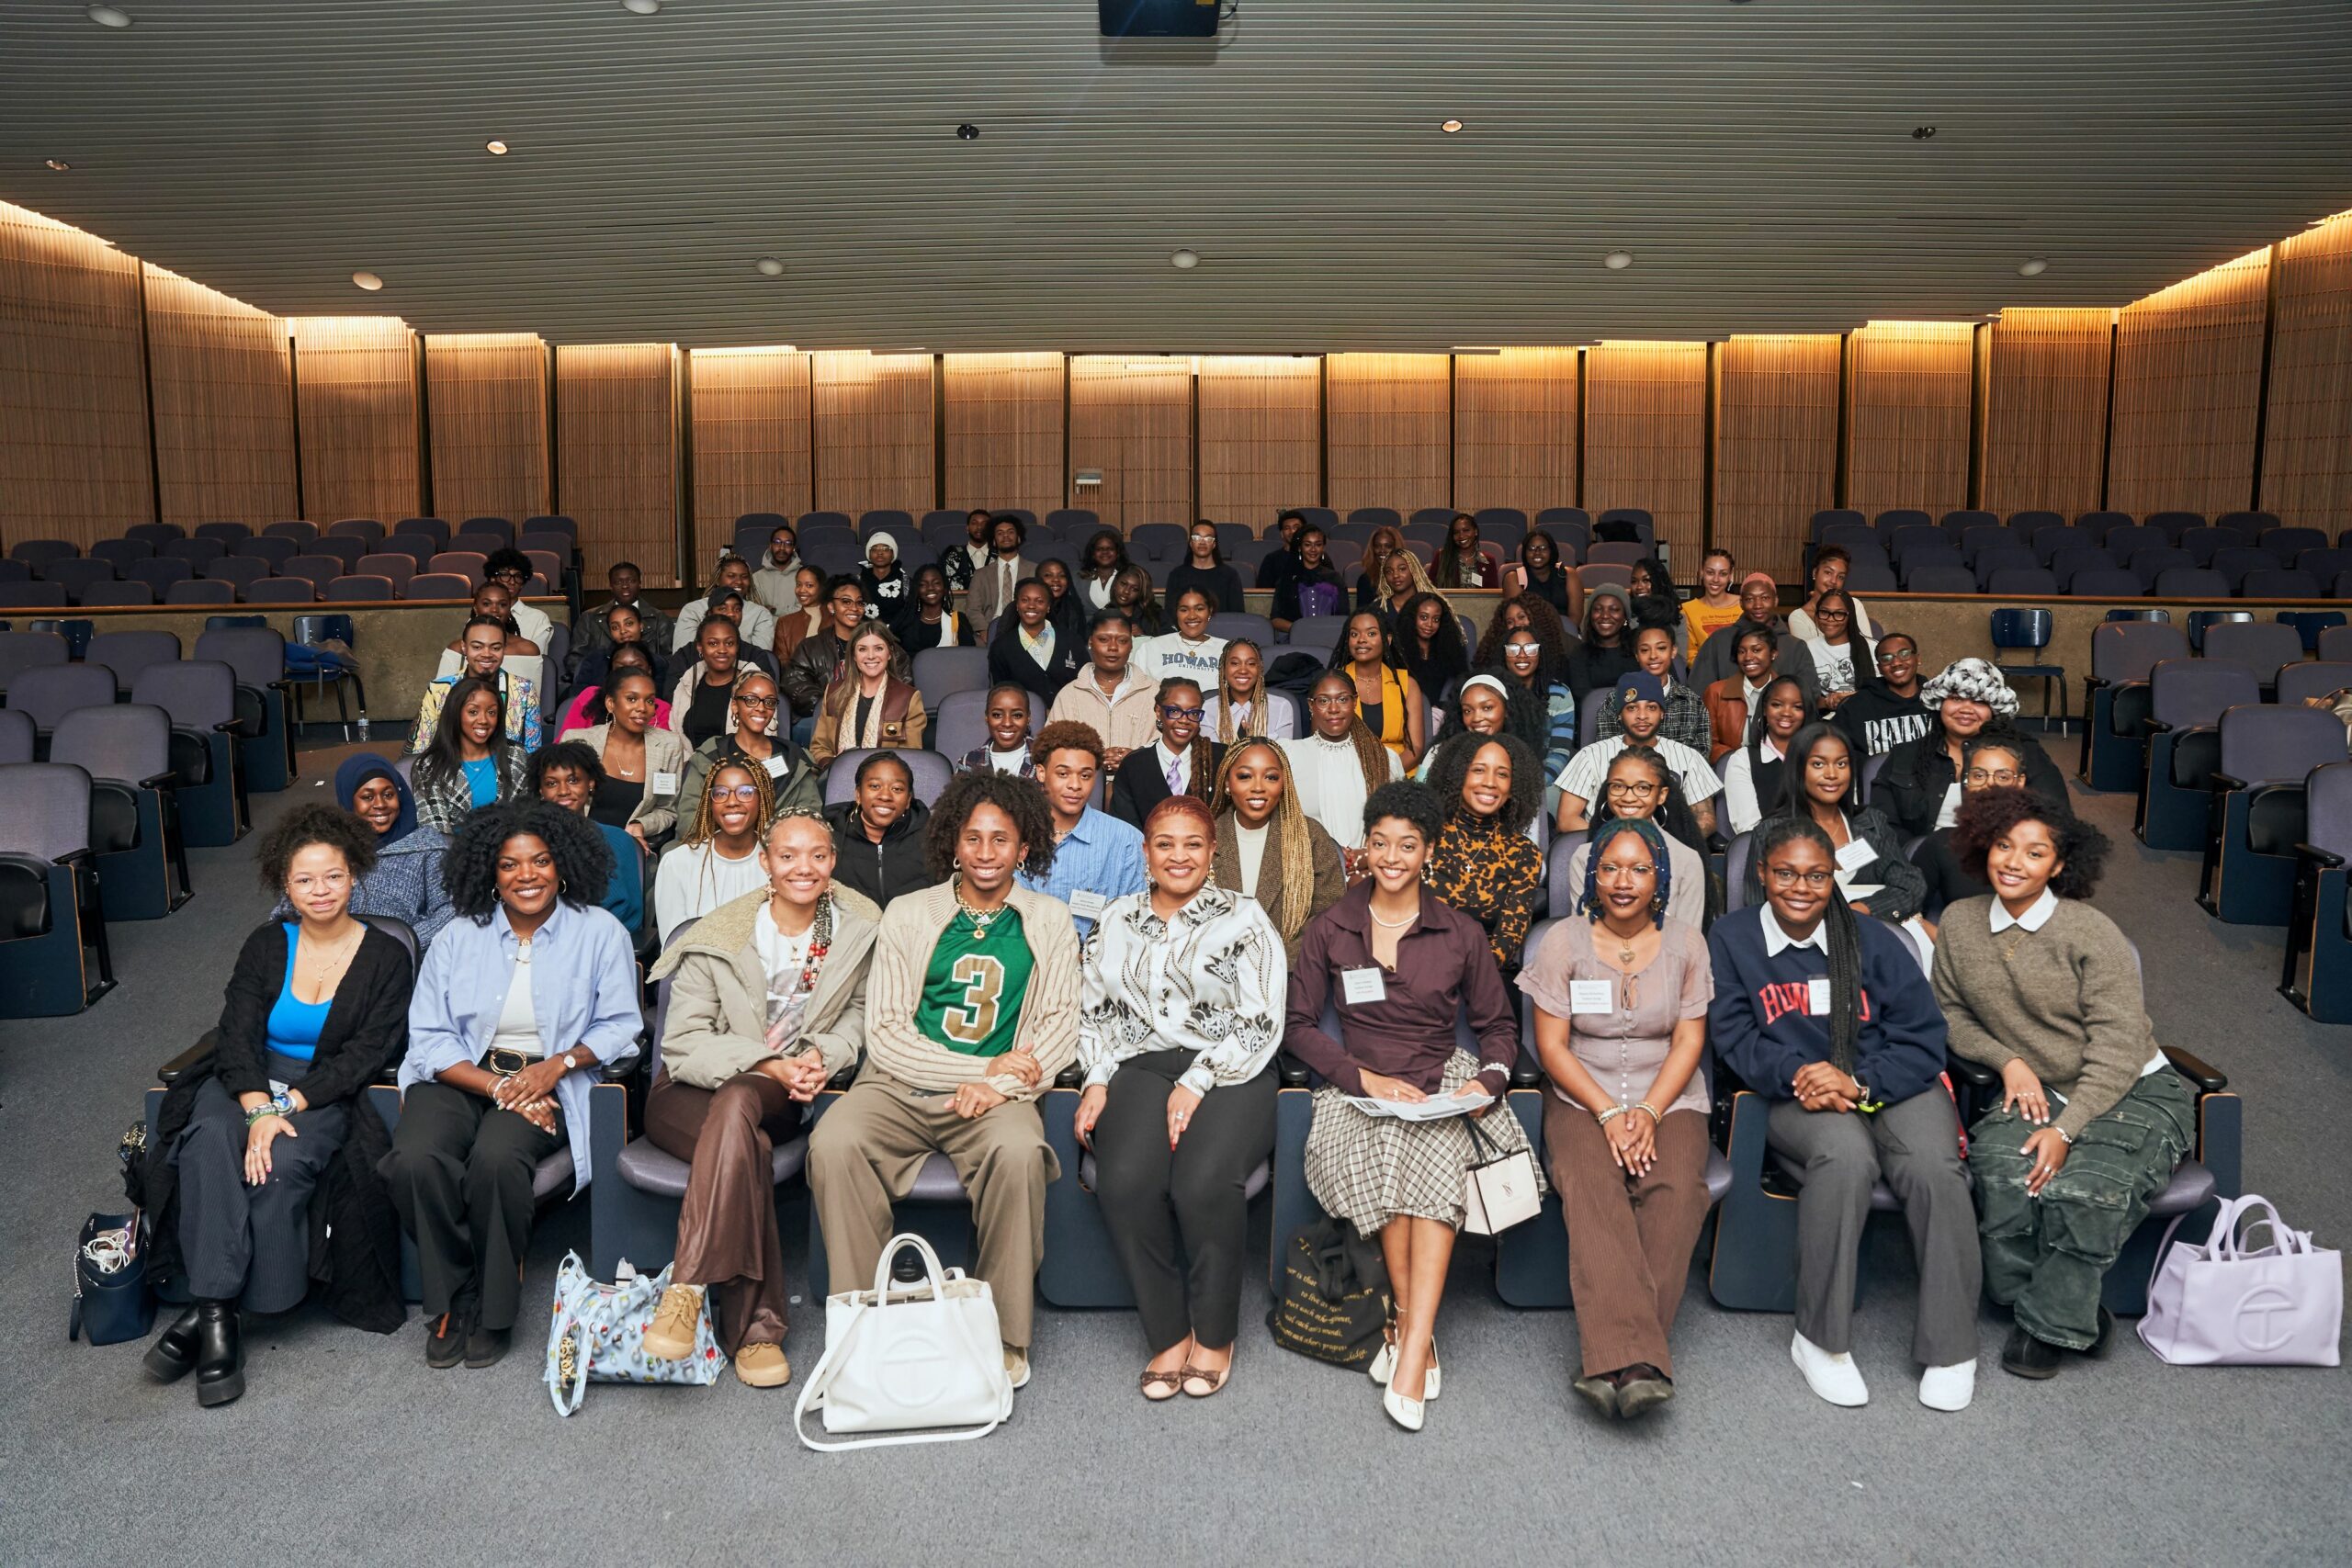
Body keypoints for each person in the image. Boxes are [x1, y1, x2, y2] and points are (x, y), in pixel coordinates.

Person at [807, 771, 1080, 1390]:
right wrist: (983, 1070)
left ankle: (1004, 1333)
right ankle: (862, 1321)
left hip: (997, 1102)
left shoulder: (1050, 918)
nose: (986, 853)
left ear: (1025, 847)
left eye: (1001, 839)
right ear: (952, 844)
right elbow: (886, 1033)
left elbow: (1060, 1029)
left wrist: (1003, 1088)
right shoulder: (908, 913)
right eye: (973, 838)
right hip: (899, 1087)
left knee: (1018, 1152)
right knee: (835, 1141)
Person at [135, 807, 414, 1405]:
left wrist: (290, 1105)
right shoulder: (267, 943)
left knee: (280, 1168)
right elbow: (234, 1034)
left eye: (333, 876)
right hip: (245, 1080)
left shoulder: (387, 957)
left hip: (322, 1090)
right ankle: (218, 1319)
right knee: (209, 1140)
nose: (320, 891)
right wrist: (259, 1109)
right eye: (305, 880)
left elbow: (370, 1052)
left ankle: (213, 1311)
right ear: (284, 885)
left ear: (354, 875)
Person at [1283, 781, 1539, 1432]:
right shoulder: (1331, 926)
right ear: (1363, 848)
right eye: (1380, 842)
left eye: (1407, 844)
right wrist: (1361, 1076)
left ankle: (1409, 1338)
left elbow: (1499, 1026)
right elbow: (1298, 1023)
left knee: (1426, 1150)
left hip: (1438, 1078)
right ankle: (1415, 1334)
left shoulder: (1457, 931)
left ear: (1428, 851)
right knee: (1388, 1155)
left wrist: (1488, 1079)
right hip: (1357, 1085)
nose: (1392, 856)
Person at [1708, 818, 1978, 1412]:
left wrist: (1858, 1083)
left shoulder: (1872, 937)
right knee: (1846, 1156)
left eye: (1816, 874)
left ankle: (1953, 1345)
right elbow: (1734, 1037)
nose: (1801, 886)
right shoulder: (1730, 939)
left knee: (1934, 1167)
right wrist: (1803, 1076)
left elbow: (1923, 1037)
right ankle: (1821, 1340)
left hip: (1884, 1080)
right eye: (1786, 872)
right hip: (1790, 1090)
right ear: (1761, 874)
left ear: (1834, 877)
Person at [1932, 789, 2195, 1382]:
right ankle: (2064, 1306)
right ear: (1983, 846)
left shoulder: (2090, 931)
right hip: (2031, 1089)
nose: (2014, 861)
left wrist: (2065, 1129)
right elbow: (1949, 1013)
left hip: (2129, 1089)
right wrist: (2008, 1061)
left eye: (2034, 851)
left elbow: (2118, 1046)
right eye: (2004, 845)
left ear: (2059, 864)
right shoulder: (1959, 922)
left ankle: (2047, 1327)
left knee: (2086, 1192)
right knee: (2002, 1180)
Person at [387, 802, 640, 1369]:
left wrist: (558, 1066)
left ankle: (495, 1312)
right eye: (510, 865)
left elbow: (623, 1024)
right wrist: (499, 1088)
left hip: (547, 1079)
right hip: (462, 1074)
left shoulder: (599, 932)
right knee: (413, 1158)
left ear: (562, 865)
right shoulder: (457, 936)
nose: (527, 876)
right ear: (489, 873)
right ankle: (455, 1298)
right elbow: (428, 1035)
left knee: (498, 1161)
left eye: (541, 861)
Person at [639, 812, 881, 1387]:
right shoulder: (719, 935)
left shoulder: (856, 930)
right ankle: (754, 1333)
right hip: (685, 1092)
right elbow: (683, 1044)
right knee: (740, 1127)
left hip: (783, 1091)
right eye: (789, 855)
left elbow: (860, 1015)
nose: (804, 867)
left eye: (818, 855)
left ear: (832, 861)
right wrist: (765, 1061)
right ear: (766, 862)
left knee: (743, 1105)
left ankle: (687, 1289)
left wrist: (823, 1055)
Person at [1074, 795, 1283, 1400]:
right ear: (1145, 852)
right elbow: (1097, 1012)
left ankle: (1214, 1333)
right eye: (1165, 843)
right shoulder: (1116, 917)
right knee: (1127, 1180)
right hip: (1139, 1063)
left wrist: (1197, 1081)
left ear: (1211, 852)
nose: (1179, 855)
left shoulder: (1243, 918)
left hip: (1234, 1067)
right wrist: (1094, 1078)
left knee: (1202, 1182)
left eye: (1192, 843)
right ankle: (1167, 1330)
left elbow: (1261, 1020)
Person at [1521, 817, 1714, 1418]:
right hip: (1583, 1093)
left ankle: (1614, 1360)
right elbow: (1550, 1047)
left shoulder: (1688, 942)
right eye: (1609, 867)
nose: (1622, 881)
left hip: (1670, 1094)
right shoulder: (1562, 941)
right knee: (1592, 1187)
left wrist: (1650, 1110)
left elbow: (1689, 1042)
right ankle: (1641, 1362)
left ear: (1660, 876)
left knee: (1678, 1189)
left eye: (1638, 868)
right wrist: (1609, 1113)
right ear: (1591, 875)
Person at [1742, 722, 1928, 927]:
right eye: (1818, 764)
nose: (1832, 774)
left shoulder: (1872, 822)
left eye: (1841, 764)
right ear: (1798, 769)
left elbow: (1910, 885)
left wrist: (1861, 910)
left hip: (1868, 934)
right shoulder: (1770, 832)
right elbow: (1755, 909)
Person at [1872, 659, 2064, 839]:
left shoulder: (2024, 753)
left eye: (1979, 702)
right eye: (1956, 699)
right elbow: (1882, 822)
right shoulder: (1907, 754)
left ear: (1994, 710)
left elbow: (2056, 820)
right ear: (1940, 703)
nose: (1966, 708)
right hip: (1916, 862)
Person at [1209, 737, 1345, 963]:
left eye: (1271, 777)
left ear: (1284, 784)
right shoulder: (1205, 838)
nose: (1258, 787)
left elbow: (1329, 913)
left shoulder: (1310, 836)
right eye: (1245, 776)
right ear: (1226, 783)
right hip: (1216, 977)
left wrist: (1274, 959)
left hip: (1292, 975)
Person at [1423, 731, 1546, 974]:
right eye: (1478, 770)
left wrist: (1463, 972)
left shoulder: (1524, 853)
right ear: (1458, 775)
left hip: (1481, 976)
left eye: (1502, 774)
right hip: (1415, 967)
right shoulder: (1422, 836)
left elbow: (1509, 936)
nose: (1490, 782)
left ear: (1513, 787)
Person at [1020, 719, 1148, 938]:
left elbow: (1135, 923)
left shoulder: (1125, 840)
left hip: (1094, 965)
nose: (1075, 785)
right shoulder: (1013, 833)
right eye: (1063, 774)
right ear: (1041, 773)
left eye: (1085, 775)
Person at [1553, 672, 1720, 837]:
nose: (1642, 716)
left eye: (1651, 707)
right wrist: (1615, 840)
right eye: (1632, 708)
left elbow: (1706, 819)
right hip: (1606, 852)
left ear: (1662, 713)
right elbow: (1566, 820)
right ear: (1619, 714)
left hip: (1671, 853)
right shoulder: (1590, 756)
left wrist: (1666, 845)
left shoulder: (1688, 757)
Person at [1560, 749, 1710, 927]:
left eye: (1642, 788)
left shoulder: (1687, 860)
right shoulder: (1585, 857)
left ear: (1661, 795)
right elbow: (1583, 934)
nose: (1628, 797)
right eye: (1618, 786)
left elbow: (1689, 943)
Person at [322, 754, 456, 948]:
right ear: (348, 801)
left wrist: (398, 943)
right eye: (367, 797)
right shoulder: (324, 850)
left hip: (403, 962)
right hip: (329, 959)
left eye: (388, 795)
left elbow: (450, 911)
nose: (380, 805)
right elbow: (288, 910)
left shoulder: (427, 847)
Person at [1283, 670, 1405, 865]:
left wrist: (1360, 858)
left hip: (1371, 871)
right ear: (1310, 705)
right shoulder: (1290, 755)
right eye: (1323, 701)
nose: (1333, 709)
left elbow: (1400, 827)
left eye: (1342, 699)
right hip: (1308, 872)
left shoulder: (1384, 759)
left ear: (1355, 702)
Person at [529, 741, 647, 939]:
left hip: (600, 945)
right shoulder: (527, 844)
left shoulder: (617, 840)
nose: (563, 790)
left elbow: (627, 914)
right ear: (541, 790)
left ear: (590, 783)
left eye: (573, 780)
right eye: (551, 783)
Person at [560, 666, 688, 846]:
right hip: (578, 842)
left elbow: (667, 810)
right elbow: (558, 801)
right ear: (610, 703)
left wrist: (640, 826)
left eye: (650, 701)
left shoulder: (668, 746)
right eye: (631, 699)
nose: (642, 708)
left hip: (634, 846)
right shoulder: (577, 741)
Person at [654, 760, 777, 943]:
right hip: (697, 970)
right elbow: (673, 948)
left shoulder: (780, 863)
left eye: (745, 792)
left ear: (762, 799)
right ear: (709, 803)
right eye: (720, 793)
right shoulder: (677, 863)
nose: (732, 802)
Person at [677, 671, 820, 825]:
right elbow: (689, 819)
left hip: (782, 845)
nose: (761, 708)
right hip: (721, 845)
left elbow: (810, 817)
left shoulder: (794, 756)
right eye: (751, 700)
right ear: (734, 706)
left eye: (770, 702)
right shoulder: (710, 755)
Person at [1910, 736, 2016, 929]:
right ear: (1967, 783)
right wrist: (1947, 942)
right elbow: (1908, 911)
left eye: (2002, 777)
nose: (1989, 785)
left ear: (2020, 782)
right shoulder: (1942, 843)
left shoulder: (2041, 842)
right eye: (1979, 775)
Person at [1046, 611, 1159, 777]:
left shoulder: (1155, 692)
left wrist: (1136, 759)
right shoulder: (1069, 695)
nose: (1113, 647)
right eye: (1103, 639)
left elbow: (1169, 745)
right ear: (1090, 642)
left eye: (1122, 640)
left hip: (1140, 786)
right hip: (1082, 790)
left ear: (1131, 645)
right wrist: (1092, 760)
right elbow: (1051, 748)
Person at [412, 674, 529, 832]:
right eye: (473, 712)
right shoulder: (430, 765)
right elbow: (435, 833)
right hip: (453, 852)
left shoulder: (515, 755)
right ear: (456, 713)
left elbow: (527, 816)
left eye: (492, 712)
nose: (484, 720)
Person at [411, 615, 540, 755]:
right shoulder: (439, 690)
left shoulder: (524, 690)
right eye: (477, 647)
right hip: (449, 771)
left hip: (508, 772)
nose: (486, 654)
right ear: (464, 647)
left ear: (504, 649)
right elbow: (421, 750)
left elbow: (533, 751)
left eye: (495, 648)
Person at [823, 750, 937, 908]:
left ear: (908, 799)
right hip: (850, 929)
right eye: (875, 786)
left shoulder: (934, 837)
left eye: (897, 789)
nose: (885, 796)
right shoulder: (827, 834)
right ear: (858, 794)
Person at [1109, 677, 1225, 829]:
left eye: (1194, 713)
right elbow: (1124, 830)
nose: (1184, 720)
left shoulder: (1220, 758)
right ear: (1158, 711)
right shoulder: (1135, 765)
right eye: (1175, 711)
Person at [808, 622, 927, 769]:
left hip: (885, 784)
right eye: (863, 649)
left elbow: (912, 757)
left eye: (878, 648)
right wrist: (833, 765)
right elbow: (819, 747)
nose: (871, 656)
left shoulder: (908, 698)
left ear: (889, 653)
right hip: (838, 778)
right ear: (854, 655)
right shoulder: (833, 692)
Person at [1703, 623, 1820, 761]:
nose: (1748, 657)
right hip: (1729, 765)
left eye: (1756, 650)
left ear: (1773, 654)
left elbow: (1804, 739)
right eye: (1742, 651)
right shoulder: (1716, 692)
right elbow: (1708, 742)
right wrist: (1736, 759)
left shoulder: (1790, 692)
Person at [1414, 671, 1549, 786]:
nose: (1476, 718)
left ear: (1507, 710)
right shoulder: (1438, 753)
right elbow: (1419, 798)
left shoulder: (1522, 759)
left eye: (1487, 708)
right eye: (1468, 710)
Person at [1596, 625, 1712, 753]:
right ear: (1636, 655)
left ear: (1673, 651)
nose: (1653, 656)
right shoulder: (1615, 699)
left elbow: (1701, 755)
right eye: (1645, 650)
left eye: (1661, 648)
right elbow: (1605, 750)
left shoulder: (1692, 701)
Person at [1335, 611, 1427, 772]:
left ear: (1387, 640)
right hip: (1347, 774)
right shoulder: (1334, 683)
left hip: (1398, 773)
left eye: (1371, 633)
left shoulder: (1407, 684)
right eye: (1354, 634)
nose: (1361, 640)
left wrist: (1386, 775)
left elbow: (1415, 749)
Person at [779, 576, 868, 739]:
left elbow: (902, 678)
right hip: (825, 716)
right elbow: (796, 685)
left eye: (859, 603)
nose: (854, 608)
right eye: (846, 602)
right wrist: (832, 706)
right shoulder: (810, 647)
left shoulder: (879, 643)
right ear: (831, 607)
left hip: (871, 713)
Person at [1720, 675, 1809, 838]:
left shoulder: (1820, 757)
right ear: (1765, 709)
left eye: (1797, 707)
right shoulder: (1742, 760)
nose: (1786, 713)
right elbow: (1749, 827)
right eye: (1777, 705)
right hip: (1768, 851)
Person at [1498, 625, 1579, 799]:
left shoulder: (1560, 694)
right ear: (1504, 655)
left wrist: (1531, 787)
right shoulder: (1494, 694)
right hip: (1497, 781)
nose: (1521, 655)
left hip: (1544, 784)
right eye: (1513, 648)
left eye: (1530, 648)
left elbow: (1559, 753)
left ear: (1540, 653)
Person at [1834, 631, 1935, 760]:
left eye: (1904, 654)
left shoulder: (1939, 700)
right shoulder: (1857, 706)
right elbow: (1833, 748)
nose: (1896, 663)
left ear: (1918, 659)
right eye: (1886, 658)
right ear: (1880, 668)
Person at [987, 578, 1084, 705]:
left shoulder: (1071, 640)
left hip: (1071, 715)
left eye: (1039, 601)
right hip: (1027, 720)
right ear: (1017, 605)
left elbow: (1085, 682)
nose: (1031, 606)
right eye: (1025, 600)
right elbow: (1002, 694)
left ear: (1048, 607)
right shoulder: (1001, 647)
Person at [1690, 572, 1791, 694]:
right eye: (1749, 599)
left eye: (1765, 598)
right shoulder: (1718, 641)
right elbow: (1697, 691)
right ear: (1741, 603)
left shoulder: (1795, 646)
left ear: (1776, 601)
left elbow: (1806, 696)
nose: (1757, 605)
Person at [668, 613, 755, 749]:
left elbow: (763, 740)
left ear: (737, 647)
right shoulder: (686, 684)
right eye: (713, 643)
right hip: (692, 765)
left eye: (729, 643)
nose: (722, 650)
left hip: (740, 765)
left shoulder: (754, 685)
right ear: (700, 647)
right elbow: (676, 736)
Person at [559, 636, 672, 736]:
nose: (628, 673)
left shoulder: (662, 709)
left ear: (649, 670)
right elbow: (565, 749)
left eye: (637, 666)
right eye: (620, 668)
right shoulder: (589, 696)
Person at [673, 555, 778, 655]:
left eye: (744, 577)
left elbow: (761, 656)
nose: (739, 581)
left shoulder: (760, 613)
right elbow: (682, 653)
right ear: (718, 580)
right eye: (731, 576)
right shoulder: (693, 610)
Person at [433, 581, 542, 674]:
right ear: (475, 608)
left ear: (509, 609)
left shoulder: (528, 650)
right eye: (486, 604)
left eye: (502, 605)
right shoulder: (456, 649)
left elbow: (533, 697)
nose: (494, 610)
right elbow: (440, 695)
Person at [577, 559, 673, 663]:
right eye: (618, 582)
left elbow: (670, 659)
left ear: (640, 583)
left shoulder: (660, 618)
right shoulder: (589, 618)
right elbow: (576, 658)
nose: (625, 586)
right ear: (611, 586)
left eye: (631, 581)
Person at [1203, 637, 1293, 741]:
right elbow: (1211, 755)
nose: (1243, 670)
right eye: (1235, 663)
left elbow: (1283, 754)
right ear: (1223, 668)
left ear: (1260, 669)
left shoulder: (1281, 707)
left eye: (1251, 664)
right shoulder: (1207, 708)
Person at [1796, 589, 1871, 710]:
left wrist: (1849, 698)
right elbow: (1804, 697)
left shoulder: (1871, 647)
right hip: (1824, 720)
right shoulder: (1806, 649)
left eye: (1839, 614)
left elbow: (1882, 692)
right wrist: (1828, 702)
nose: (1830, 619)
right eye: (1824, 612)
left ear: (1849, 616)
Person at [1138, 587, 1225, 691]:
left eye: (1199, 609)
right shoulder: (1151, 647)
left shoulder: (1226, 649)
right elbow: (1137, 690)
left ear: (1209, 611)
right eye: (1184, 610)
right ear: (1176, 613)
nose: (1192, 616)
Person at [1788, 545, 1875, 644]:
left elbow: (1868, 646)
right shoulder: (1798, 617)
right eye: (1828, 573)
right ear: (1815, 573)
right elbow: (1806, 656)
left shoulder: (1854, 605)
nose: (1834, 581)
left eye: (1841, 577)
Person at [1567, 585, 1638, 703]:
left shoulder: (1639, 652)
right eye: (1598, 609)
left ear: (1625, 617)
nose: (1605, 616)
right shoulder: (1579, 654)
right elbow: (1583, 700)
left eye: (1614, 609)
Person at [1270, 525, 1346, 633]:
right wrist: (1301, 629)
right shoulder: (1287, 579)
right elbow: (1275, 619)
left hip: (1331, 637)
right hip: (1296, 638)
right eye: (1307, 545)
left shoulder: (1335, 578)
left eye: (1318, 545)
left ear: (1323, 547)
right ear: (1300, 548)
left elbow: (1344, 617)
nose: (1313, 549)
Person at [1164, 520, 1247, 615]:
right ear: (1191, 543)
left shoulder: (1229, 575)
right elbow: (1170, 613)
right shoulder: (1177, 575)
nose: (1202, 542)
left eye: (1208, 538)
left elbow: (1237, 615)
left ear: (1214, 544)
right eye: (1197, 537)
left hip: (1221, 628)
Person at [967, 514, 1031, 633]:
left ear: (1018, 538)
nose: (1005, 535)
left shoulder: (1034, 570)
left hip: (1026, 628)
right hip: (991, 628)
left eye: (1010, 532)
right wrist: (985, 631)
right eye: (1000, 533)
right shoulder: (981, 575)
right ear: (994, 541)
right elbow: (973, 609)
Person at [481, 547, 555, 648]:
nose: (512, 582)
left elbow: (536, 659)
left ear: (522, 584)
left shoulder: (538, 619)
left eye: (518, 576)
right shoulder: (480, 614)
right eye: (505, 575)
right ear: (493, 579)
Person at [960, 683, 1036, 777]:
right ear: (986, 717)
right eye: (997, 715)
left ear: (1028, 718)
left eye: (1017, 715)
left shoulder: (1046, 758)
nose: (1007, 723)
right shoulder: (969, 763)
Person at [895, 563, 974, 649]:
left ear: (944, 587)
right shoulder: (905, 621)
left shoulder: (958, 620)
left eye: (936, 583)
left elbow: (968, 656)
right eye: (923, 584)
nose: (930, 588)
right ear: (917, 589)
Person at [1509, 530, 1582, 622]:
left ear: (1552, 551)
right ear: (1524, 553)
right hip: (1529, 633)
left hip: (1566, 631)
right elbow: (1519, 618)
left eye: (1543, 548)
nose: (1537, 552)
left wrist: (1562, 635)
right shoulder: (1514, 577)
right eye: (1531, 548)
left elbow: (1575, 617)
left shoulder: (1568, 574)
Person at [1680, 548, 1743, 651]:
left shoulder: (1743, 605)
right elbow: (1690, 653)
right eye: (1710, 572)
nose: (1716, 579)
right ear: (1701, 572)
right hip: (1704, 666)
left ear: (1730, 576)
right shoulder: (1687, 610)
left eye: (1723, 574)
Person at [1432, 513, 1503, 591]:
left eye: (1466, 530)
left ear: (1475, 531)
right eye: (1456, 532)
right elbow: (1430, 588)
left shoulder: (1488, 560)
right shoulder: (1442, 557)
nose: (1461, 536)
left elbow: (1493, 594)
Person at [773, 564, 828, 663]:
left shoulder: (835, 619)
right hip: (795, 678)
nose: (802, 590)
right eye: (798, 584)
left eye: (809, 585)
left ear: (822, 588)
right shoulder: (784, 623)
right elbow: (782, 664)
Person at [748, 521, 804, 615]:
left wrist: (774, 610)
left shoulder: (805, 576)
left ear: (793, 548)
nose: (782, 548)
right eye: (777, 542)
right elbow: (755, 612)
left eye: (788, 543)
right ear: (770, 546)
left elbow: (805, 610)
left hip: (796, 629)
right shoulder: (756, 578)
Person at [855, 532, 911, 625]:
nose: (880, 553)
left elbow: (910, 614)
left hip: (898, 635)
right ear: (869, 554)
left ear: (893, 553)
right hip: (864, 633)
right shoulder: (858, 581)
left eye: (886, 549)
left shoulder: (906, 581)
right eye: (874, 549)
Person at [1624, 557, 1682, 646]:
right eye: (1634, 581)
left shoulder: (1677, 618)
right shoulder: (1626, 616)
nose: (1639, 587)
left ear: (1658, 582)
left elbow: (1679, 657)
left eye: (1646, 580)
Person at [1355, 525, 1408, 611]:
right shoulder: (1366, 580)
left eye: (1388, 546)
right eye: (1377, 546)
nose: (1382, 550)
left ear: (1397, 548)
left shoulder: (1410, 577)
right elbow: (1362, 614)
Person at [1078, 528, 1129, 614]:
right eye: (1099, 549)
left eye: (1110, 549)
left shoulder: (1128, 577)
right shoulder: (1079, 578)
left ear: (1118, 553)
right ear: (1093, 554)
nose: (1105, 552)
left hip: (1119, 625)